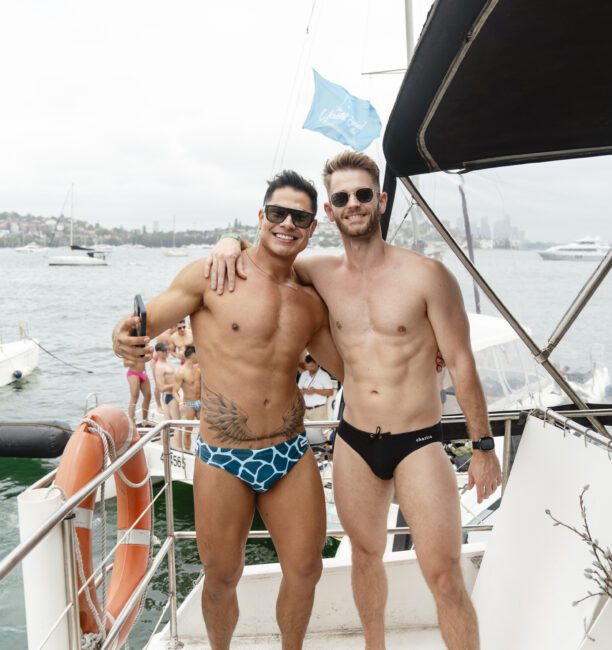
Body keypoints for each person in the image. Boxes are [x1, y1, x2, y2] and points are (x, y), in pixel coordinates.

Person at [207, 151, 502, 650]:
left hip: (418, 440)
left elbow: (462, 364)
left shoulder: (427, 275)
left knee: (445, 574)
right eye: (341, 197)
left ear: (381, 201)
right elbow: (266, 257)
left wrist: (483, 447)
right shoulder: (317, 270)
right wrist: (227, 241)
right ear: (329, 210)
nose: (354, 204)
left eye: (363, 194)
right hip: (354, 439)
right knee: (365, 558)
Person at [112, 170, 344, 650]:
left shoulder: (311, 303)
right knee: (221, 577)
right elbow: (145, 320)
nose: (287, 224)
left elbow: (347, 364)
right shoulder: (213, 274)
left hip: (289, 451)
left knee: (305, 568)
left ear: (311, 226)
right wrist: (122, 335)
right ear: (261, 217)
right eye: (277, 213)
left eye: (299, 217)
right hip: (222, 456)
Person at [298, 355, 334, 444]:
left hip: (319, 409)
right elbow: (298, 391)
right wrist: (306, 391)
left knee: (321, 433)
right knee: (305, 433)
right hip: (305, 409)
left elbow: (330, 392)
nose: (309, 368)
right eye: (308, 366)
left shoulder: (324, 375)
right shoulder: (304, 374)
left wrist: (315, 391)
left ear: (317, 364)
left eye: (312, 366)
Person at [172, 344, 202, 451]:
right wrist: (180, 403)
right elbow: (174, 391)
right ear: (192, 355)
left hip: (200, 402)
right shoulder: (181, 372)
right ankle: (188, 451)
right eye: (197, 354)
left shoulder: (199, 368)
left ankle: (201, 451)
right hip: (189, 404)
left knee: (205, 429)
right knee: (188, 431)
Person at [152, 342, 180, 422]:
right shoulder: (159, 367)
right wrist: (175, 384)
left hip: (173, 394)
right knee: (177, 424)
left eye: (167, 350)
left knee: (167, 423)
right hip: (169, 396)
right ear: (158, 352)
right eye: (164, 351)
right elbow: (161, 388)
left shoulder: (168, 361)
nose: (166, 352)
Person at [124, 358, 151, 423]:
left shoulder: (143, 348)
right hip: (133, 374)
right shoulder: (130, 349)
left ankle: (145, 419)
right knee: (134, 397)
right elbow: (125, 363)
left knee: (148, 396)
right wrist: (137, 360)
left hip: (143, 373)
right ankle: (131, 423)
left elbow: (149, 357)